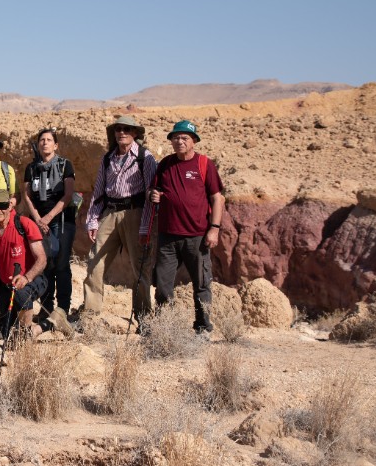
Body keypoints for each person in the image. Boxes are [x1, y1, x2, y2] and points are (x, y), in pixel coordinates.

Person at [82, 116, 158, 332]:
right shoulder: (108, 159)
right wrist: (92, 220)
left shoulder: (145, 158)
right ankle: (90, 316)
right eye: (118, 129)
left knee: (140, 266)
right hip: (110, 212)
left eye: (126, 129)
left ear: (135, 133)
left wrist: (146, 226)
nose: (121, 132)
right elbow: (98, 193)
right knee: (94, 262)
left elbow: (150, 194)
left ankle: (144, 320)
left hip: (136, 213)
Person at [148, 120, 225, 335]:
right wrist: (152, 195)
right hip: (167, 236)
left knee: (201, 285)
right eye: (176, 138)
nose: (179, 141)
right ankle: (166, 329)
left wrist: (214, 228)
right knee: (162, 286)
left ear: (194, 141)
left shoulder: (204, 164)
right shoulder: (165, 164)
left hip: (197, 236)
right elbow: (153, 190)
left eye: (185, 138)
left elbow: (217, 198)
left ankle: (203, 328)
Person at [0, 190, 71, 339]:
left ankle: (25, 336)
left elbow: (41, 259)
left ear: (9, 206)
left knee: (21, 295)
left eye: (1, 205)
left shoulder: (24, 224)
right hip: (5, 287)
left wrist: (26, 278)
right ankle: (51, 322)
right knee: (7, 334)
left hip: (33, 280)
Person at [22, 128, 76, 315]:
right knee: (44, 264)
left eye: (49, 139)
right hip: (38, 222)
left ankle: (62, 310)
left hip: (60, 220)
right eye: (42, 140)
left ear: (56, 145)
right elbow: (27, 196)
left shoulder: (64, 165)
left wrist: (48, 218)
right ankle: (46, 309)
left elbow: (68, 195)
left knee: (61, 264)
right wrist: (37, 219)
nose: (45, 142)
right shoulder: (31, 168)